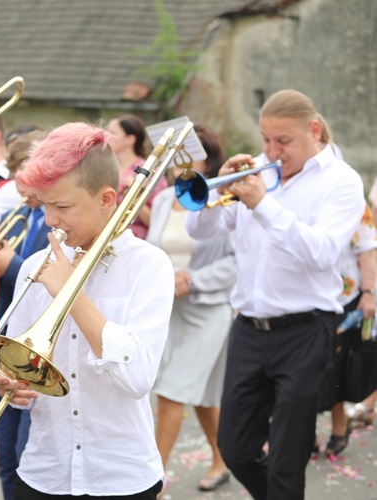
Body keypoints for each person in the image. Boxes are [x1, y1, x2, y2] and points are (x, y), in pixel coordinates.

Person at [185, 89, 365, 499]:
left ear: (313, 130)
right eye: (266, 138)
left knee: (287, 460)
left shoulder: (342, 181)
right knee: (234, 449)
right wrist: (216, 191)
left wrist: (264, 205)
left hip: (305, 331)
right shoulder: (260, 170)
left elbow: (321, 253)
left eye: (283, 141)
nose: (271, 150)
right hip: (248, 328)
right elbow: (200, 232)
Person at [0, 122, 174, 499]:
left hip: (121, 478)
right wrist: (15, 384)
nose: (50, 220)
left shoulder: (150, 265)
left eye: (62, 206)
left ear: (107, 199)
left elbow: (138, 378)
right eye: (44, 205)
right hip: (44, 472)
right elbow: (26, 365)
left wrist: (71, 294)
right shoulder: (34, 266)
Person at [146, 124, 235, 492]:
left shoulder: (222, 196)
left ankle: (149, 482)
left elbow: (237, 261)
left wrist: (191, 279)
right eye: (174, 152)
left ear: (208, 157)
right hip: (172, 310)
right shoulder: (165, 198)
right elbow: (153, 251)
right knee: (198, 396)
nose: (178, 159)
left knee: (172, 390)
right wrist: (168, 276)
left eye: (188, 150)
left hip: (211, 308)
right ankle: (222, 458)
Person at [0, 128, 50, 500]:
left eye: (26, 182)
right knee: (8, 454)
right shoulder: (20, 214)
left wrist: (10, 265)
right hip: (8, 342)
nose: (20, 192)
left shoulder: (58, 223)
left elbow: (50, 283)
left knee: (25, 452)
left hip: (38, 350)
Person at [316, 206, 377, 457]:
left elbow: (367, 248)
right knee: (305, 366)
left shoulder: (351, 197)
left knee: (335, 364)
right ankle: (303, 427)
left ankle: (339, 422)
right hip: (303, 298)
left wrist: (369, 292)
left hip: (343, 297)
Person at [106, 114, 167, 240]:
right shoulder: (106, 169)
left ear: (130, 139)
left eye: (113, 133)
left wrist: (134, 196)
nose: (107, 137)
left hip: (136, 241)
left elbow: (158, 223)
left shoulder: (150, 171)